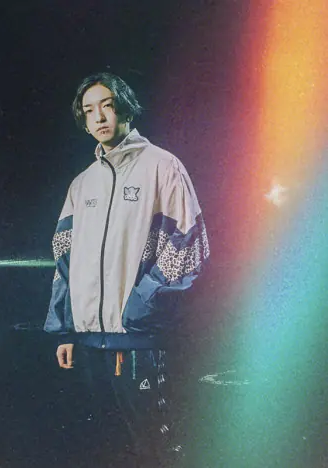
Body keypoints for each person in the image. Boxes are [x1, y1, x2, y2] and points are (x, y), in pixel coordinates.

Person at [44, 73, 210, 466]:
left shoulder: (162, 167)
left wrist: (140, 307)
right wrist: (66, 329)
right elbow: (63, 257)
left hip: (138, 340)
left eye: (107, 105)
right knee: (107, 447)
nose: (99, 116)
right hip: (90, 342)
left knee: (151, 446)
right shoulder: (82, 184)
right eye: (89, 110)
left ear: (126, 108)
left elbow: (188, 244)